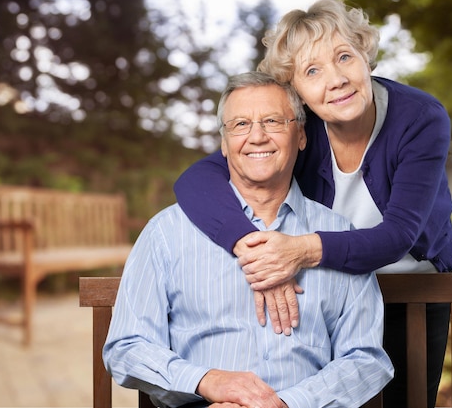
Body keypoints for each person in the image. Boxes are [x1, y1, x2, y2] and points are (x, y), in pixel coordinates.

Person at [173, 0, 452, 408]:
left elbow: (397, 236)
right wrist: (248, 243)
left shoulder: (421, 118)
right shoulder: (298, 130)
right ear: (298, 93)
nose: (337, 79)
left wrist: (298, 250)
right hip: (333, 294)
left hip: (412, 289)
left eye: (344, 56)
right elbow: (196, 180)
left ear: (366, 56)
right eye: (312, 71)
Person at [104, 71, 393, 408]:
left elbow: (365, 359)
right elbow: (127, 346)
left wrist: (285, 404)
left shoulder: (340, 237)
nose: (257, 136)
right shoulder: (167, 233)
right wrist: (209, 381)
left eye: (272, 121)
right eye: (240, 125)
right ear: (224, 144)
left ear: (300, 135)